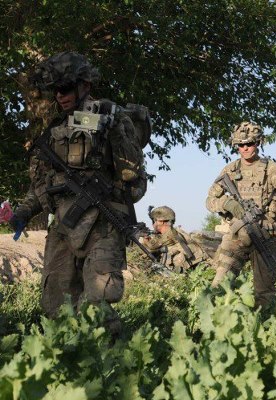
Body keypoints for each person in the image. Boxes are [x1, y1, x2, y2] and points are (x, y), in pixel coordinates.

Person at [9, 51, 150, 336]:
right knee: (55, 305)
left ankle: (112, 365)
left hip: (102, 226)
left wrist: (115, 135)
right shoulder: (54, 131)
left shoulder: (110, 117)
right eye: (56, 90)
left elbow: (134, 179)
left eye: (65, 88)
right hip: (63, 227)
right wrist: (22, 212)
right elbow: (42, 185)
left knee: (98, 303)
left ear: (84, 84)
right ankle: (65, 363)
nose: (60, 96)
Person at [206, 121, 276, 307]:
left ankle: (264, 330)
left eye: (249, 144)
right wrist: (226, 203)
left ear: (258, 143)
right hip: (236, 236)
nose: (245, 148)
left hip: (265, 237)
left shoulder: (272, 169)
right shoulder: (230, 171)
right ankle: (213, 328)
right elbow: (209, 201)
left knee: (265, 292)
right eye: (240, 145)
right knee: (219, 285)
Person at [140, 206, 211, 273]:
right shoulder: (171, 231)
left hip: (196, 266)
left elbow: (151, 247)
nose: (153, 224)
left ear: (162, 222)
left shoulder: (169, 234)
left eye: (154, 221)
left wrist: (143, 238)